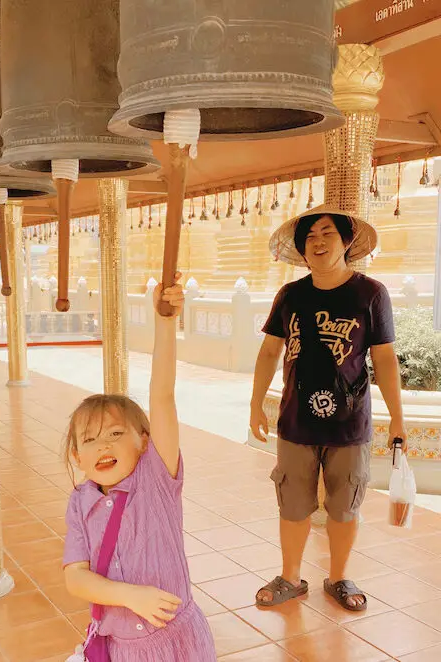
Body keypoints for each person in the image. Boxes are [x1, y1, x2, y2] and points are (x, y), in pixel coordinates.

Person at [250, 206, 407, 612]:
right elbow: (270, 352)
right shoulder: (290, 295)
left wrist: (398, 420)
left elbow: (385, 360)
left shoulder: (371, 294)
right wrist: (255, 404)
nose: (317, 243)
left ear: (346, 242)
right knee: (293, 504)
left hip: (349, 426)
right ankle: (289, 577)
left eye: (326, 234)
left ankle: (338, 577)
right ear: (302, 250)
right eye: (309, 238)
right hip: (295, 422)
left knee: (344, 505)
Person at [62, 273, 217, 662]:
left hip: (180, 642)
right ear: (78, 457)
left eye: (115, 433)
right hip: (124, 650)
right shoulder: (80, 502)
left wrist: (165, 324)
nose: (104, 446)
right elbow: (74, 576)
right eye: (90, 440)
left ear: (144, 441)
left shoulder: (156, 479)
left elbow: (162, 396)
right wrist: (129, 596)